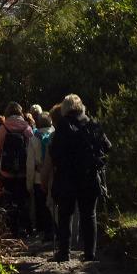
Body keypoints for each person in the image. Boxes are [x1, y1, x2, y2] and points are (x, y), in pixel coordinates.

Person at [48, 93, 109, 261]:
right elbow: (107, 147)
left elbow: (55, 152)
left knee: (65, 214)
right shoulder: (93, 124)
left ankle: (64, 252)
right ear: (81, 107)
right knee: (89, 215)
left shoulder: (63, 125)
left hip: (67, 177)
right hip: (89, 176)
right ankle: (90, 253)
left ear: (65, 109)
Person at [0, 101, 34, 237]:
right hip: (23, 170)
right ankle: (25, 227)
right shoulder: (27, 128)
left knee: (10, 200)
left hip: (7, 171)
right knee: (23, 199)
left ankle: (12, 228)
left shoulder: (3, 129)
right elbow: (31, 149)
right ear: (20, 112)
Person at [27, 103, 55, 240]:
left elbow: (30, 163)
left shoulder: (33, 138)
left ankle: (45, 232)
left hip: (38, 178)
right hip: (54, 176)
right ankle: (56, 231)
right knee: (54, 204)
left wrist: (29, 183)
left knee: (41, 206)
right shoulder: (55, 135)